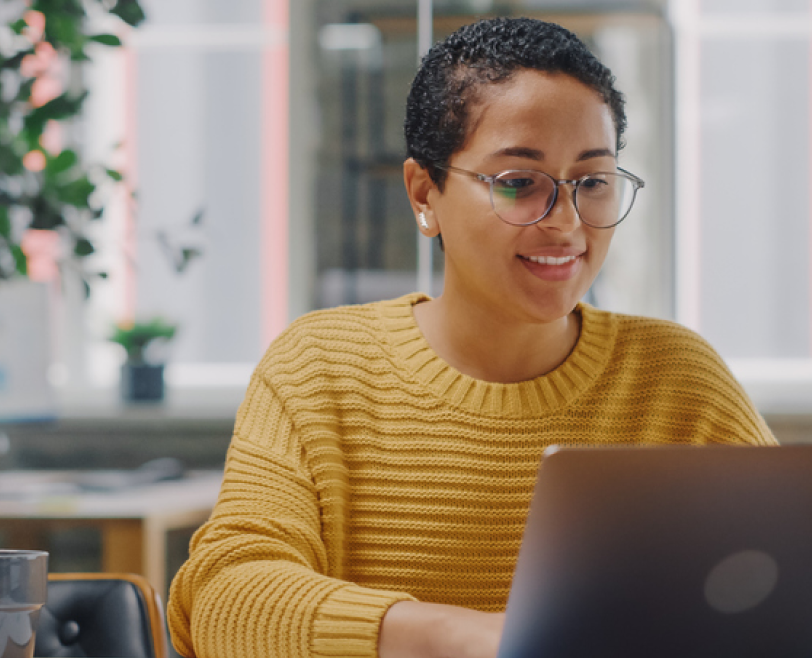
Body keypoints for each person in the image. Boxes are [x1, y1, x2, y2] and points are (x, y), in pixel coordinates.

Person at [167, 16, 775, 658]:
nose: (566, 224)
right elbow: (224, 598)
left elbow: (802, 582)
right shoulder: (320, 368)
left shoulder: (677, 377)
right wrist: (463, 637)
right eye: (519, 183)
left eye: (592, 183)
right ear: (425, 192)